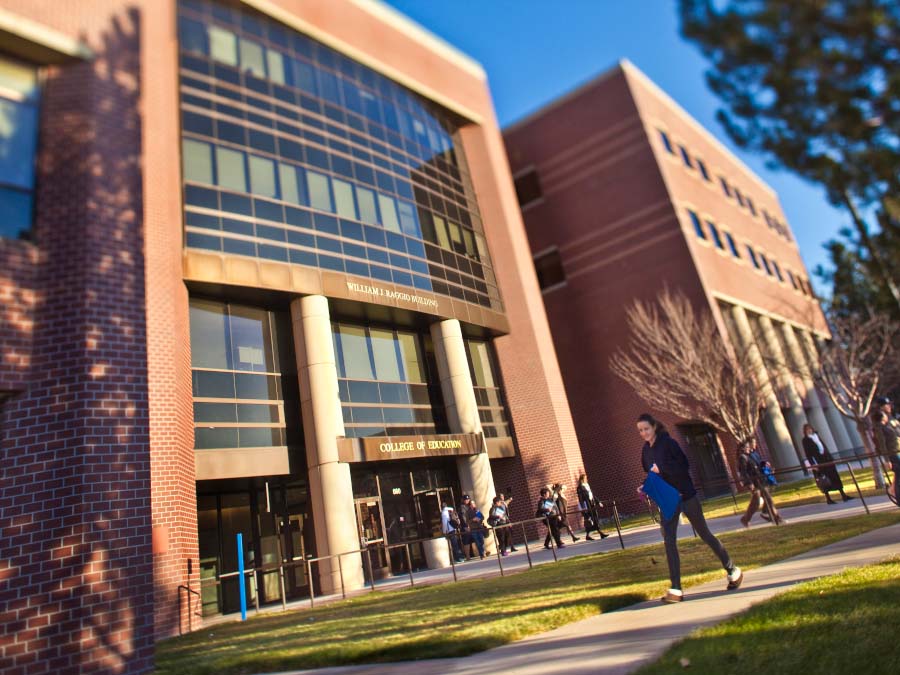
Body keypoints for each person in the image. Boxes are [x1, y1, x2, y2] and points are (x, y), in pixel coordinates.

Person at [636, 413, 742, 603]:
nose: (643, 433)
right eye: (640, 430)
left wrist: (663, 469)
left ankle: (732, 569)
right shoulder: (646, 451)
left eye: (646, 429)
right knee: (669, 541)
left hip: (686, 495)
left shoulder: (669, 444)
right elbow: (652, 475)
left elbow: (683, 467)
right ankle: (676, 589)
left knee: (705, 534)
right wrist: (644, 485)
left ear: (654, 427)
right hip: (669, 500)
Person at [801, 423, 853, 504]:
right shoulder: (805, 440)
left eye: (810, 428)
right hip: (818, 461)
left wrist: (831, 458)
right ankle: (828, 498)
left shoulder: (816, 436)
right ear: (805, 431)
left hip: (827, 459)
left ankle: (843, 495)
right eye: (807, 429)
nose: (809, 430)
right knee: (824, 479)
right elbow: (808, 453)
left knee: (835, 477)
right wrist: (813, 464)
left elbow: (823, 447)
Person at [738, 439, 783, 526]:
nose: (748, 448)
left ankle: (776, 518)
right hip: (754, 482)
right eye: (747, 447)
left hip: (760, 480)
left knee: (765, 499)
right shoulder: (742, 458)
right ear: (743, 448)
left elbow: (757, 465)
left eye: (748, 446)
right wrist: (749, 483)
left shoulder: (750, 455)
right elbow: (744, 472)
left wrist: (765, 465)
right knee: (760, 501)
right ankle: (776, 518)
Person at [872, 409, 900, 506]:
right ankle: (896, 494)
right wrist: (887, 460)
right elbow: (882, 444)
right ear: (881, 417)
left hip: (896, 452)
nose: (886, 416)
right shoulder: (879, 429)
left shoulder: (887, 426)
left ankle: (892, 490)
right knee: (898, 475)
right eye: (884, 415)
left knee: (898, 475)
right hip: (892, 454)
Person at [576, 473, 610, 540]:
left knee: (595, 518)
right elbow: (580, 498)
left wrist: (598, 502)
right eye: (585, 478)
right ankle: (599, 533)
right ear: (582, 479)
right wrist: (583, 507)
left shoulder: (587, 485)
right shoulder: (580, 487)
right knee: (591, 520)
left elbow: (592, 495)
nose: (586, 479)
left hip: (592, 503)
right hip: (587, 505)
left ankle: (591, 535)